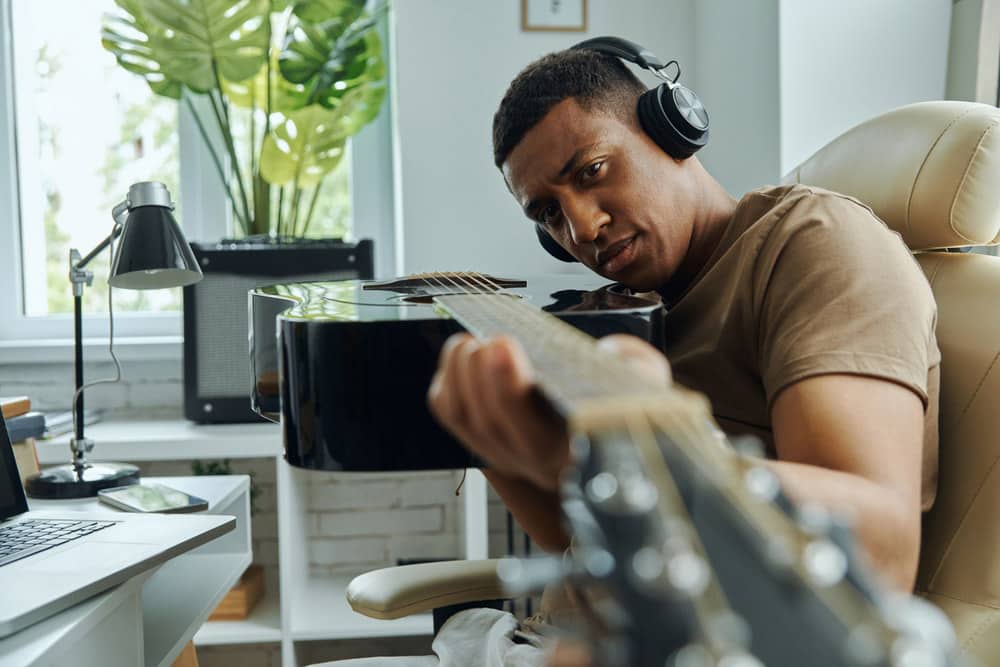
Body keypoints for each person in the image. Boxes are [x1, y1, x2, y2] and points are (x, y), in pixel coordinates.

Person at [425, 43, 940, 661]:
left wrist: (630, 458)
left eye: (590, 171)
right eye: (549, 214)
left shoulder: (812, 244)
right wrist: (501, 446)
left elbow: (881, 551)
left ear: (672, 129)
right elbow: (586, 537)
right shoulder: (630, 306)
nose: (581, 228)